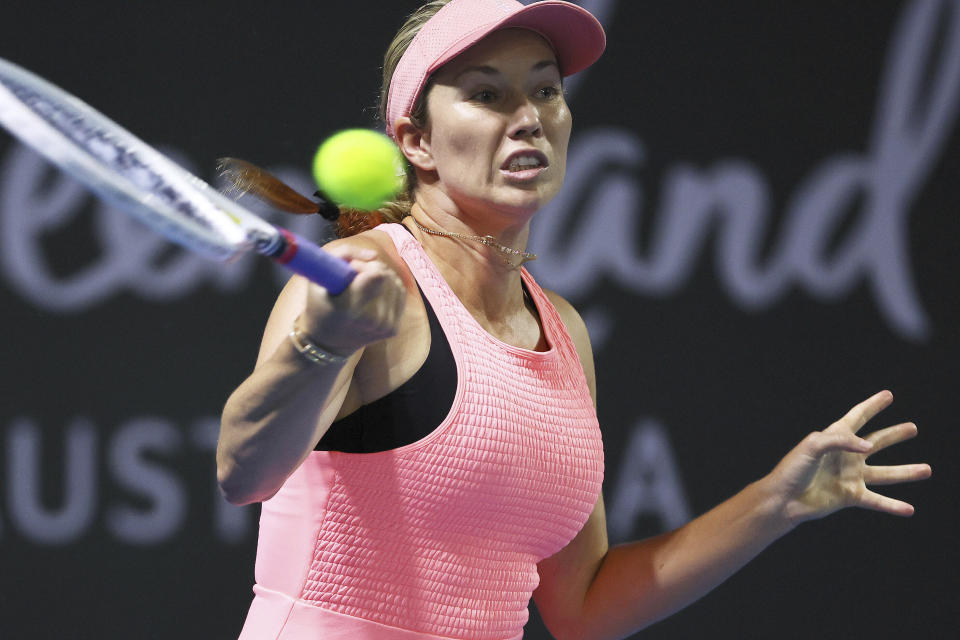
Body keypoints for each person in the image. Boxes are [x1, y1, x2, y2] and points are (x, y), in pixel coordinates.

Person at [216, 1, 932, 639]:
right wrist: (322, 344)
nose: (529, 115)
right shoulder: (364, 279)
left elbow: (584, 607)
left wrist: (775, 501)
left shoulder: (560, 328)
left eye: (546, 89)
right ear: (417, 140)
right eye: (488, 94)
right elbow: (243, 471)